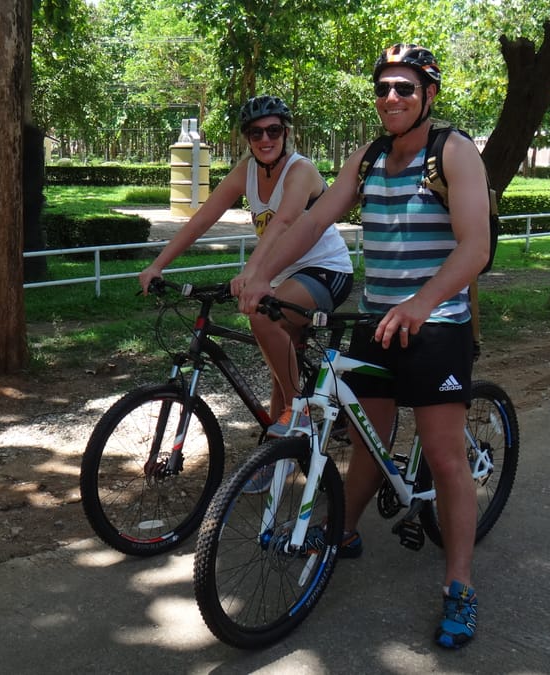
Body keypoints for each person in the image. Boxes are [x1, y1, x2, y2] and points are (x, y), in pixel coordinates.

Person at [232, 45, 491, 649]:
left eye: (404, 88)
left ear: (429, 94)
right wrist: (259, 274)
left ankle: (460, 586)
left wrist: (422, 304)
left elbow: (474, 248)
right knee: (368, 441)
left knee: (444, 456)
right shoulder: (370, 157)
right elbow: (312, 222)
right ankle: (341, 530)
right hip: (378, 323)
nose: (391, 99)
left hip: (438, 325)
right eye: (383, 89)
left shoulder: (451, 152)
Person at [139, 95, 354, 441]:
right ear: (246, 139)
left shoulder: (301, 170)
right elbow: (202, 220)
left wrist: (254, 274)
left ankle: (301, 411)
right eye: (256, 133)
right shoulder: (247, 172)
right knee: (278, 368)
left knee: (263, 320)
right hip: (283, 277)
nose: (265, 139)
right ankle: (276, 450)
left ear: (286, 133)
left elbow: (282, 222)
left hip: (326, 271)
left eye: (273, 131)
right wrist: (158, 265)